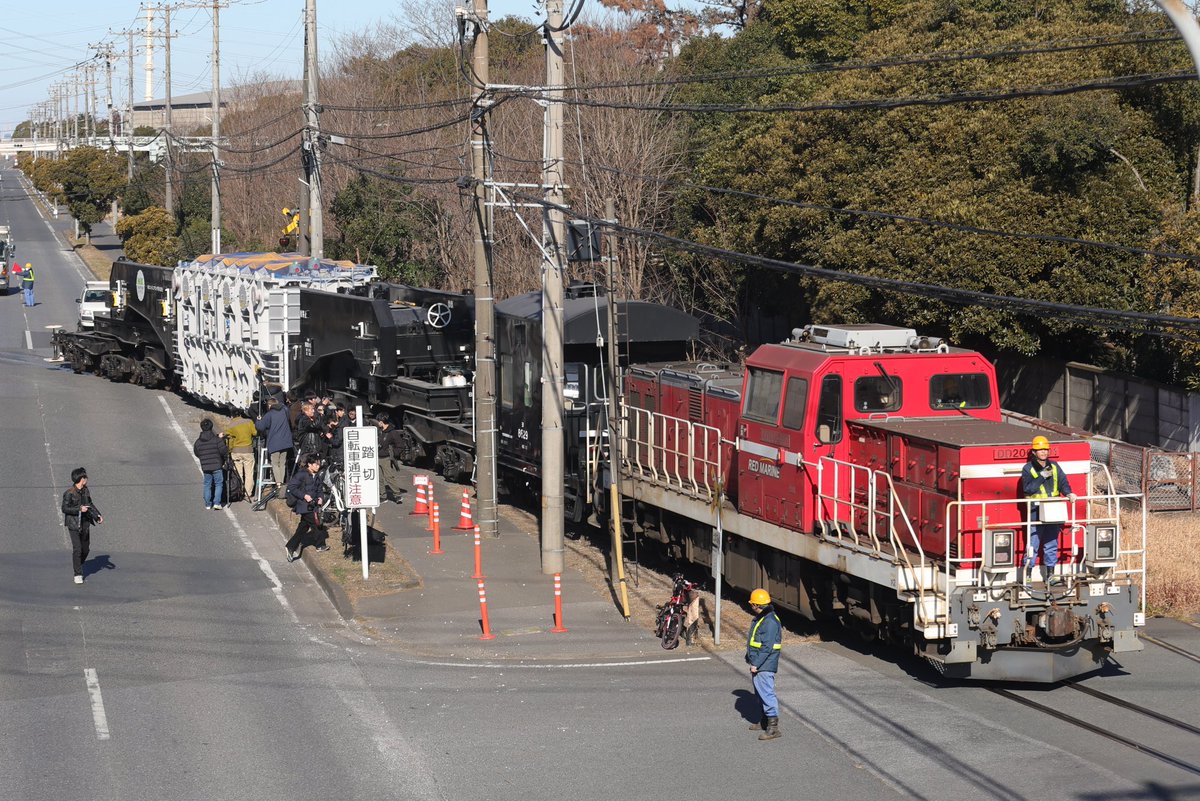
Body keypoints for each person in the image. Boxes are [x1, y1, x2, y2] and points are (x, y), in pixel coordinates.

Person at [1021, 435, 1077, 584]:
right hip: (1035, 511)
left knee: (1052, 543)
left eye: (1046, 449)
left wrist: (1068, 493)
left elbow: (1063, 482)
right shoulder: (1028, 468)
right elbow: (1028, 489)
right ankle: (1027, 575)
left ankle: (1050, 575)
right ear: (1034, 452)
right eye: (1040, 450)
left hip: (1053, 508)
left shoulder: (1054, 466)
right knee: (1032, 544)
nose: (1044, 452)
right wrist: (1042, 476)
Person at [745, 588, 783, 741]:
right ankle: (765, 722)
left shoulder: (769, 621)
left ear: (756, 605)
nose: (751, 606)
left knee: (766, 694)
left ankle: (773, 729)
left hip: (765, 664)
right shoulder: (764, 617)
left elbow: (767, 647)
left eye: (752, 604)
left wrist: (756, 663)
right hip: (760, 662)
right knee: (760, 693)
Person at [284, 453, 328, 561]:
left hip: (312, 505)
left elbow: (319, 490)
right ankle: (320, 545)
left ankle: (290, 547)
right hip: (303, 505)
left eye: (319, 464)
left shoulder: (316, 476)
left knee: (303, 528)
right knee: (316, 523)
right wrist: (304, 496)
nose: (318, 466)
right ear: (309, 464)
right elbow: (291, 487)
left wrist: (320, 498)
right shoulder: (301, 474)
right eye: (316, 464)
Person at [62, 467, 102, 584]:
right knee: (77, 549)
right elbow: (64, 508)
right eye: (86, 477)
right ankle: (77, 574)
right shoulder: (69, 493)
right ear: (81, 479)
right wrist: (79, 509)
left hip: (85, 523)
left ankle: (78, 563)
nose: (87, 479)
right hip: (73, 524)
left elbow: (90, 504)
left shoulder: (85, 490)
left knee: (85, 549)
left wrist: (97, 515)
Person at [255, 396, 293, 490]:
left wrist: (258, 420)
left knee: (275, 463)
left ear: (269, 405)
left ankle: (278, 484)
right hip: (286, 441)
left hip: (275, 442)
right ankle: (282, 483)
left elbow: (261, 427)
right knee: (282, 463)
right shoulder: (284, 410)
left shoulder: (269, 414)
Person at [193, 418, 229, 510]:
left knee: (207, 484)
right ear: (211, 427)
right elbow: (224, 451)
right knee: (218, 484)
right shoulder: (216, 440)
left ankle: (208, 504)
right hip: (217, 465)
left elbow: (197, 453)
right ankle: (217, 503)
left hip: (205, 466)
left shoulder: (198, 442)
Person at [223, 417, 258, 497]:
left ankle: (239, 491)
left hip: (236, 452)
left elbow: (228, 438)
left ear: (232, 416)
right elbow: (255, 433)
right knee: (249, 474)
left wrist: (230, 449)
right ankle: (248, 493)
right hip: (248, 451)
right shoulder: (249, 422)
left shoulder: (231, 425)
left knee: (238, 474)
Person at [376, 413, 405, 503]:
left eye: (378, 421)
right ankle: (383, 496)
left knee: (389, 477)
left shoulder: (392, 432)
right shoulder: (379, 431)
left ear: (382, 422)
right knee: (379, 478)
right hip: (377, 457)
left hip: (386, 458)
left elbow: (400, 445)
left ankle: (397, 494)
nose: (377, 423)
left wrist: (391, 453)